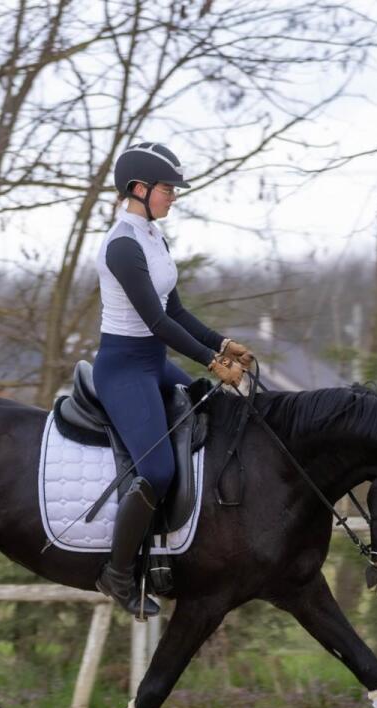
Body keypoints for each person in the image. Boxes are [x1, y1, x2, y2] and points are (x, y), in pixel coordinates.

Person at [92, 141, 254, 616]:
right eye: (167, 189)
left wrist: (223, 343)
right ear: (138, 189)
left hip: (151, 360)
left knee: (207, 411)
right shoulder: (122, 245)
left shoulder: (152, 236)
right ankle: (117, 575)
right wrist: (210, 360)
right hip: (123, 367)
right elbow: (157, 323)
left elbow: (176, 310)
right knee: (158, 469)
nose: (173, 196)